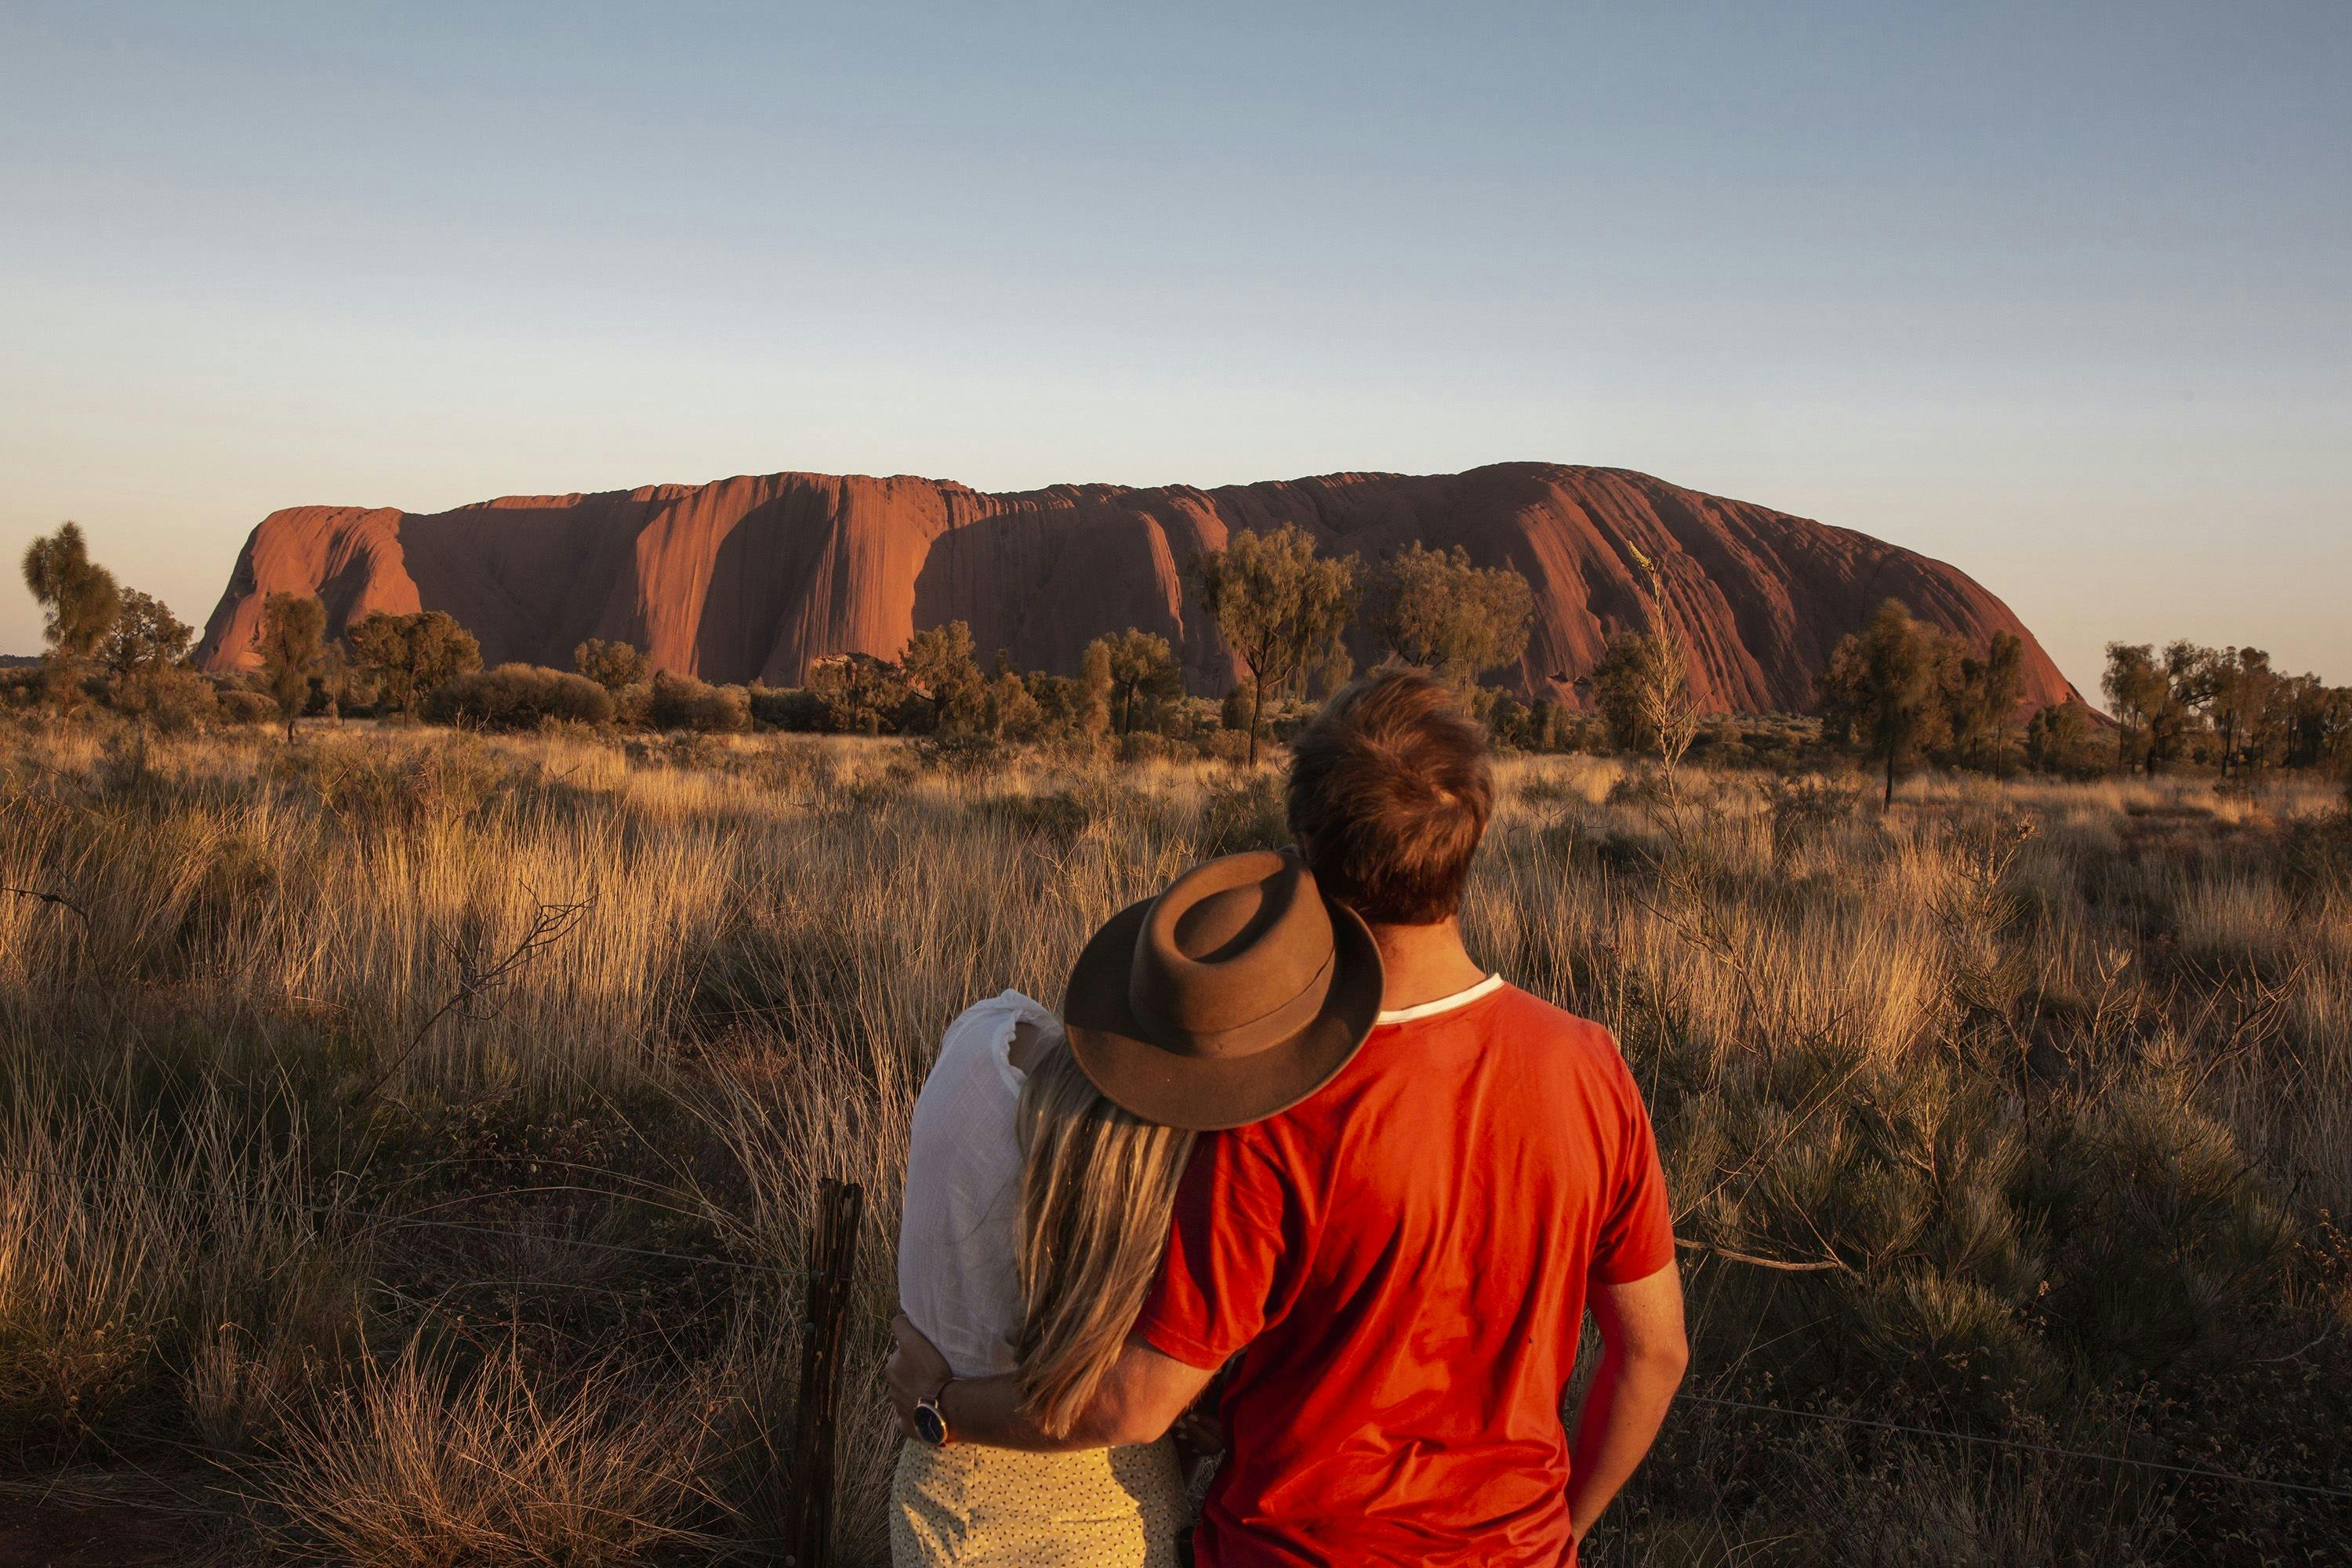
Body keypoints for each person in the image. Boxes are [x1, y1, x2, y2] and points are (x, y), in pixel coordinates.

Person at [891, 670, 1687, 1566]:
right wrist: (1559, 1531)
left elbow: (1141, 1400)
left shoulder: (1271, 1110)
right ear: (1472, 838)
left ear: (1307, 847)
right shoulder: (1592, 1066)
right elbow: (1653, 1352)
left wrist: (945, 1407)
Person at [891, 843, 1392, 1566]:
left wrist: (937, 1401)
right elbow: (1145, 1403)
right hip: (1112, 1517)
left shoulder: (981, 1038)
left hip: (937, 1495)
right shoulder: (1190, 1192)